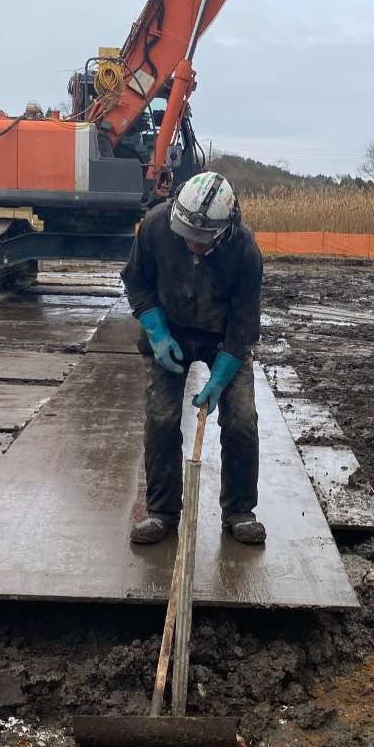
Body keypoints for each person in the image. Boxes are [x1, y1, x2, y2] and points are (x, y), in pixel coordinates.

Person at [120, 171, 265, 546]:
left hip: (224, 338)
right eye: (187, 236)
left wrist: (221, 376)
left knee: (242, 420)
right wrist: (156, 330)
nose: (193, 246)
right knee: (162, 418)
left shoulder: (245, 250)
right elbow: (136, 280)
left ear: (223, 231)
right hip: (171, 329)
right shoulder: (156, 226)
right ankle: (162, 512)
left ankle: (239, 512)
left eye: (202, 240)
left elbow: (245, 322)